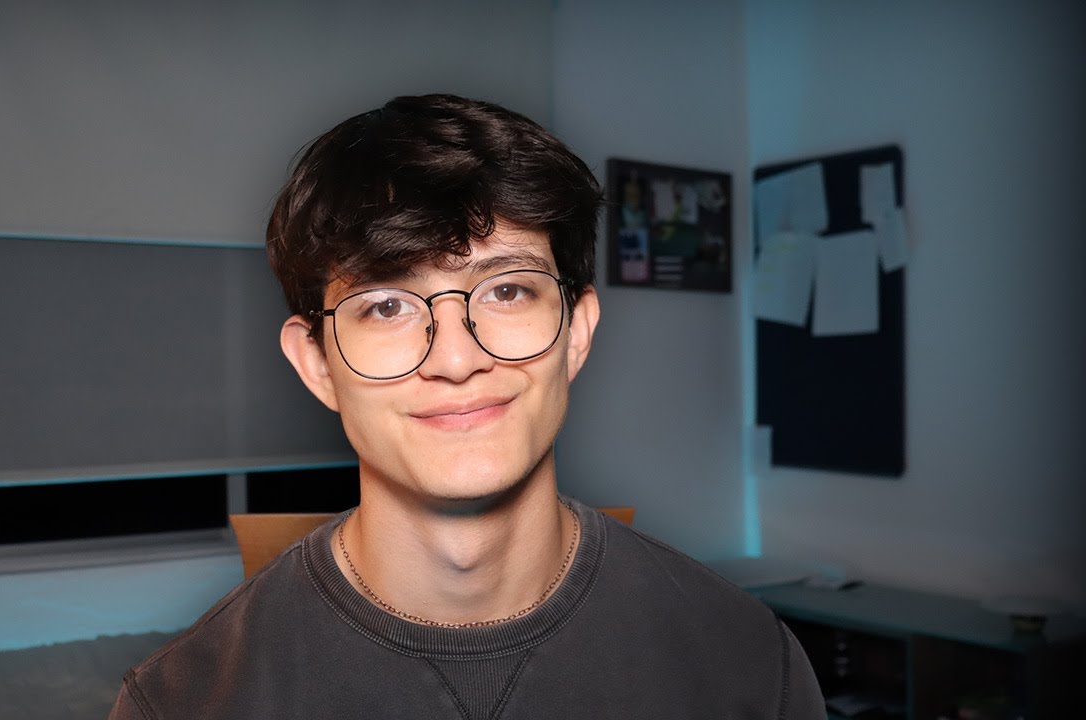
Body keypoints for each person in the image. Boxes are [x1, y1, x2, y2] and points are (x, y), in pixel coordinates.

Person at [108, 94, 825, 719]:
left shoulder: (750, 664)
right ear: (316, 364)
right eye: (386, 304)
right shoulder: (182, 704)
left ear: (576, 333)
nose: (456, 359)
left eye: (507, 290)